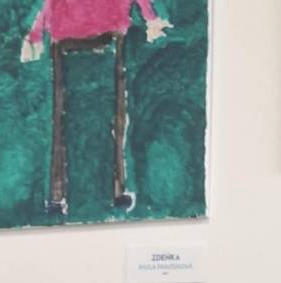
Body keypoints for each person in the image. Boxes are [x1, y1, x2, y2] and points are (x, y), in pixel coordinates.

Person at [20, 0, 172, 214]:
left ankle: (57, 197)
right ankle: (117, 191)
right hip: (110, 28)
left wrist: (36, 34)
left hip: (65, 32)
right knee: (116, 113)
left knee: (61, 116)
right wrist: (150, 18)